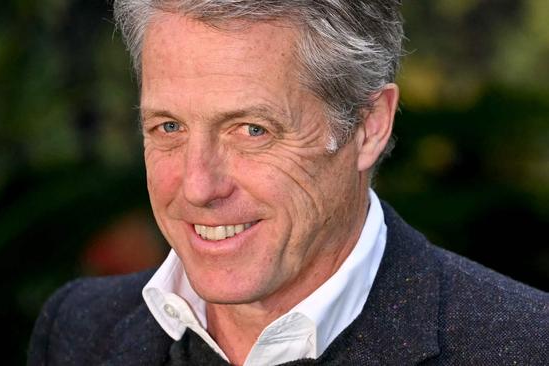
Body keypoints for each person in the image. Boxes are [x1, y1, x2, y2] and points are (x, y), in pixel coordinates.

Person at [27, 1, 548, 365]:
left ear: (368, 126)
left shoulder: (523, 345)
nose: (197, 185)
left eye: (252, 130)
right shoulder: (78, 330)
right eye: (169, 127)